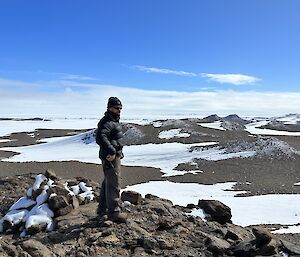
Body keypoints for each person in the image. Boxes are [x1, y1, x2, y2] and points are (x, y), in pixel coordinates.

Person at [95, 97, 127, 223]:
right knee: (114, 184)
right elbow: (100, 137)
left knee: (108, 182)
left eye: (120, 108)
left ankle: (102, 209)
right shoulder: (107, 121)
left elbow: (114, 139)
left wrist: (119, 151)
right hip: (110, 157)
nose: (118, 110)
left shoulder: (113, 121)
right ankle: (114, 213)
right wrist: (112, 152)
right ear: (109, 108)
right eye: (116, 108)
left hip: (113, 155)